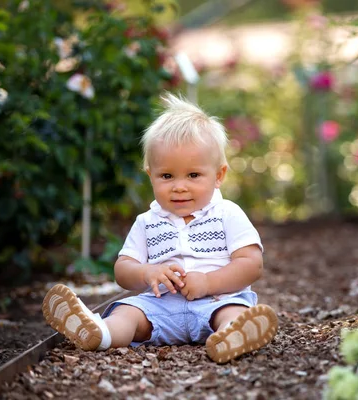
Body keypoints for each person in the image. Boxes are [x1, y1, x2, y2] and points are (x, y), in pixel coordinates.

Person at [42, 94, 278, 364]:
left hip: (217, 301)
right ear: (150, 175)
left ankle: (230, 336)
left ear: (219, 175)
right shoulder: (147, 221)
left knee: (234, 312)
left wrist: (208, 282)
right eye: (166, 176)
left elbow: (251, 264)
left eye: (193, 175)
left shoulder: (228, 214)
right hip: (160, 309)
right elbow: (122, 269)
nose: (179, 186)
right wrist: (147, 271)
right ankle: (100, 333)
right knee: (128, 313)